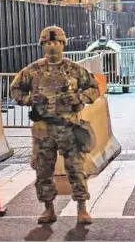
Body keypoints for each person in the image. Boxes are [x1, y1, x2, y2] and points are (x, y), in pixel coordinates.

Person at [10, 26, 100, 225]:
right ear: (43, 45)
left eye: (56, 42)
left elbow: (95, 88)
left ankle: (82, 209)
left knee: (76, 169)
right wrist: (30, 99)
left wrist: (79, 98)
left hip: (68, 127)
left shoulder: (74, 69)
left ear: (63, 45)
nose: (53, 46)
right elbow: (15, 90)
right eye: (48, 43)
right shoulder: (33, 70)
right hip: (44, 129)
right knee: (43, 170)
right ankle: (48, 209)